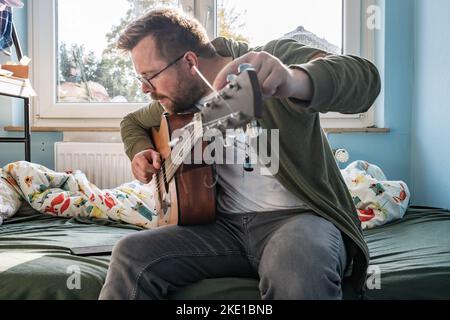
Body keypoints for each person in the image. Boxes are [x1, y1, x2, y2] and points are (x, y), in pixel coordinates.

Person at [99, 7, 381, 300]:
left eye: (150, 76)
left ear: (190, 62)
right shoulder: (178, 99)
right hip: (223, 230)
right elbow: (131, 123)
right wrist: (140, 150)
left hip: (297, 220)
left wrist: (293, 81)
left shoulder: (268, 63)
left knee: (295, 264)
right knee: (130, 253)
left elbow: (365, 80)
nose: (147, 90)